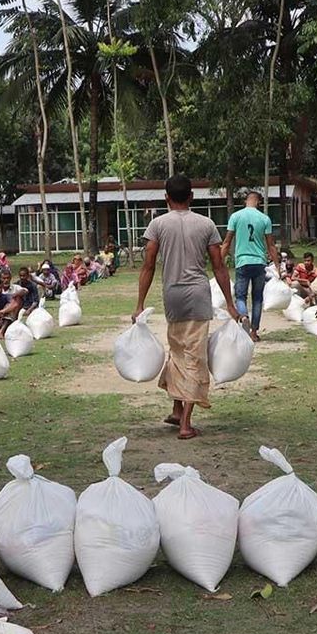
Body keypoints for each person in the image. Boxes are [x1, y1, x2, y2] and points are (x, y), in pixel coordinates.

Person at [134, 175, 240, 440]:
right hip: (197, 295)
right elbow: (218, 266)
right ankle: (185, 425)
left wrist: (140, 304)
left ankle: (176, 409)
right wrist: (230, 303)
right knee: (194, 356)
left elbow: (148, 266)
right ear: (191, 196)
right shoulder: (206, 224)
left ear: (166, 197)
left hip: (172, 295)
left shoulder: (157, 224)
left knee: (178, 350)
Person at [220, 189, 279, 341]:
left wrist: (219, 262)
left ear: (245, 201)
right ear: (258, 202)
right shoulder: (265, 219)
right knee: (257, 298)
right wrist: (277, 265)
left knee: (240, 296)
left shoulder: (235, 216)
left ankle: (244, 316)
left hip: (242, 262)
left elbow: (226, 242)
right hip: (259, 262)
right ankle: (253, 332)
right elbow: (271, 245)